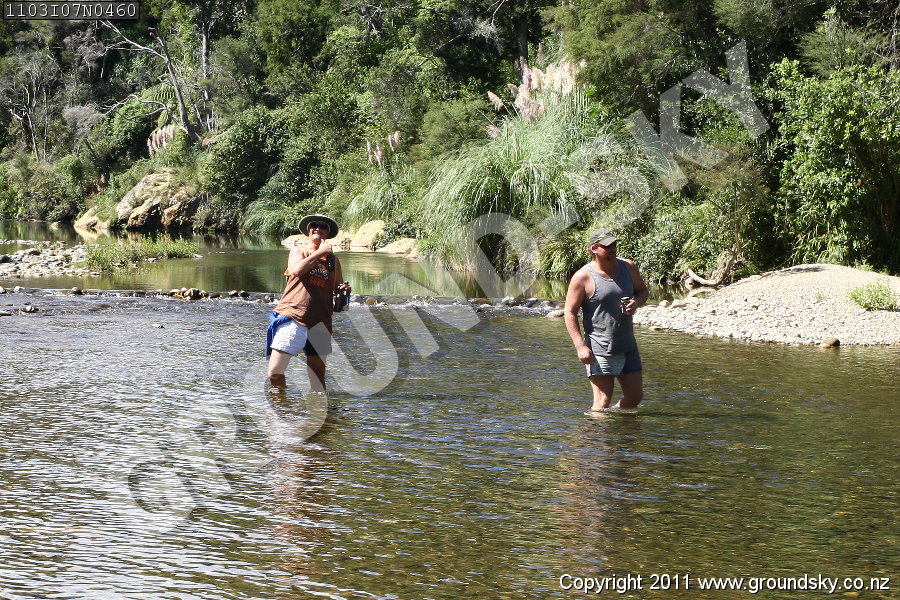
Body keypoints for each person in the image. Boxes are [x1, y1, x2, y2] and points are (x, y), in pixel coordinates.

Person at [564, 228, 649, 411]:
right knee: (602, 402)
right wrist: (580, 346)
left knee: (634, 396)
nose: (612, 248)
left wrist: (636, 302)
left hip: (628, 346)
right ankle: (595, 430)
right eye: (607, 245)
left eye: (614, 244)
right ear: (594, 248)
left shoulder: (628, 267)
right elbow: (569, 312)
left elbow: (643, 291)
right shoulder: (582, 277)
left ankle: (615, 424)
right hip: (600, 349)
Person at [266, 214, 349, 392]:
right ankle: (281, 401)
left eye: (323, 226)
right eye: (314, 225)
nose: (318, 228)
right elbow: (297, 270)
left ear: (328, 233)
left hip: (321, 321)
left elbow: (336, 286)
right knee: (275, 372)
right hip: (294, 315)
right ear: (308, 230)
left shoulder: (333, 261)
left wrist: (343, 290)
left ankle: (317, 407)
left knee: (318, 379)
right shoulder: (299, 251)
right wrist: (320, 253)